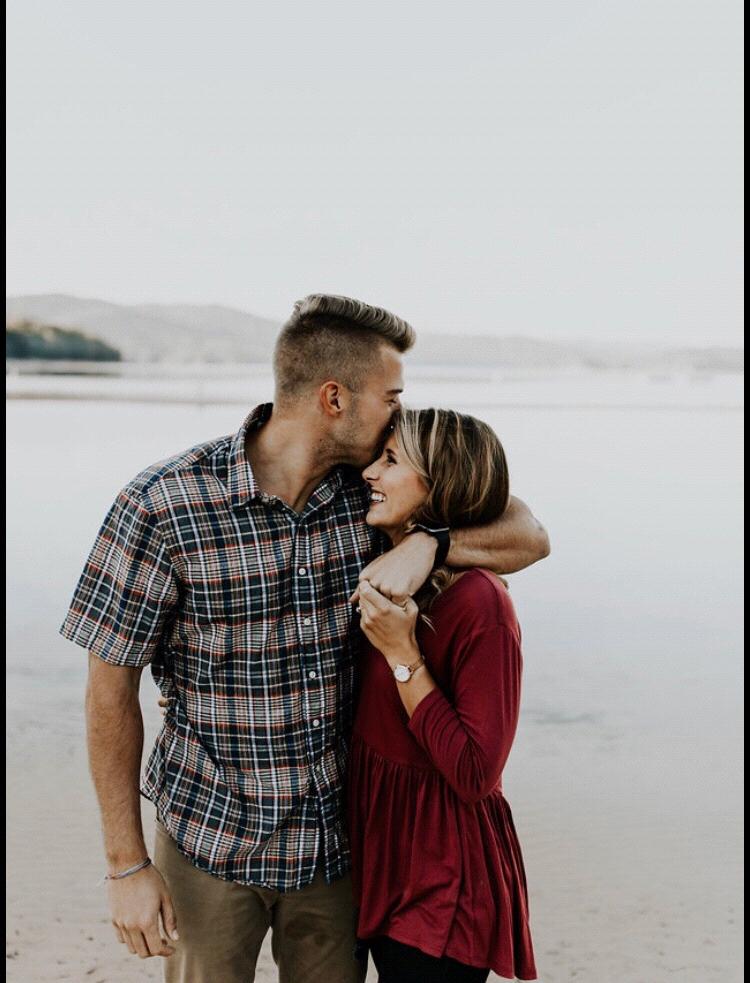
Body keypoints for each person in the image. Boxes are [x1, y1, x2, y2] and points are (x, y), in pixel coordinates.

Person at [60, 295, 549, 983]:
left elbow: (529, 532)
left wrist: (431, 544)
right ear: (334, 398)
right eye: (391, 397)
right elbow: (109, 690)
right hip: (208, 841)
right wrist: (125, 865)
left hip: (337, 853)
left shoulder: (370, 498)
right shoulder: (163, 504)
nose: (400, 415)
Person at [348, 408, 538, 982]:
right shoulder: (378, 557)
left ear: (440, 484)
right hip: (378, 850)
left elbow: (476, 771)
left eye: (390, 461)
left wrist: (403, 655)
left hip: (443, 873)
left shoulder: (481, 603)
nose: (369, 473)